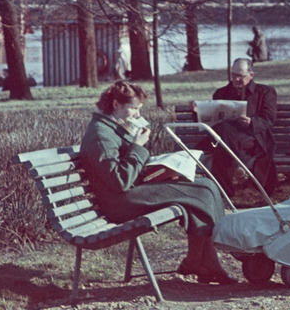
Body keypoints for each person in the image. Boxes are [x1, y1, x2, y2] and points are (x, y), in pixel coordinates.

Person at [80, 81, 236, 285]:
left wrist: (161, 168)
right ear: (116, 104)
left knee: (206, 185)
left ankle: (204, 260)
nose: (137, 114)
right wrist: (137, 146)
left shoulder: (112, 127)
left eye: (139, 109)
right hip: (120, 202)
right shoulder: (101, 135)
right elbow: (119, 181)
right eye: (134, 108)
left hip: (132, 191)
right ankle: (200, 262)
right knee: (200, 192)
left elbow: (125, 170)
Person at [192, 58, 277, 198]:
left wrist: (251, 122)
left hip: (252, 136)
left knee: (221, 147)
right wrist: (197, 111)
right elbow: (210, 119)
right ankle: (236, 167)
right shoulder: (221, 93)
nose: (236, 79)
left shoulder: (265, 92)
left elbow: (269, 118)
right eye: (233, 75)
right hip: (225, 137)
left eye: (241, 76)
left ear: (251, 75)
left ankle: (225, 195)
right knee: (223, 131)